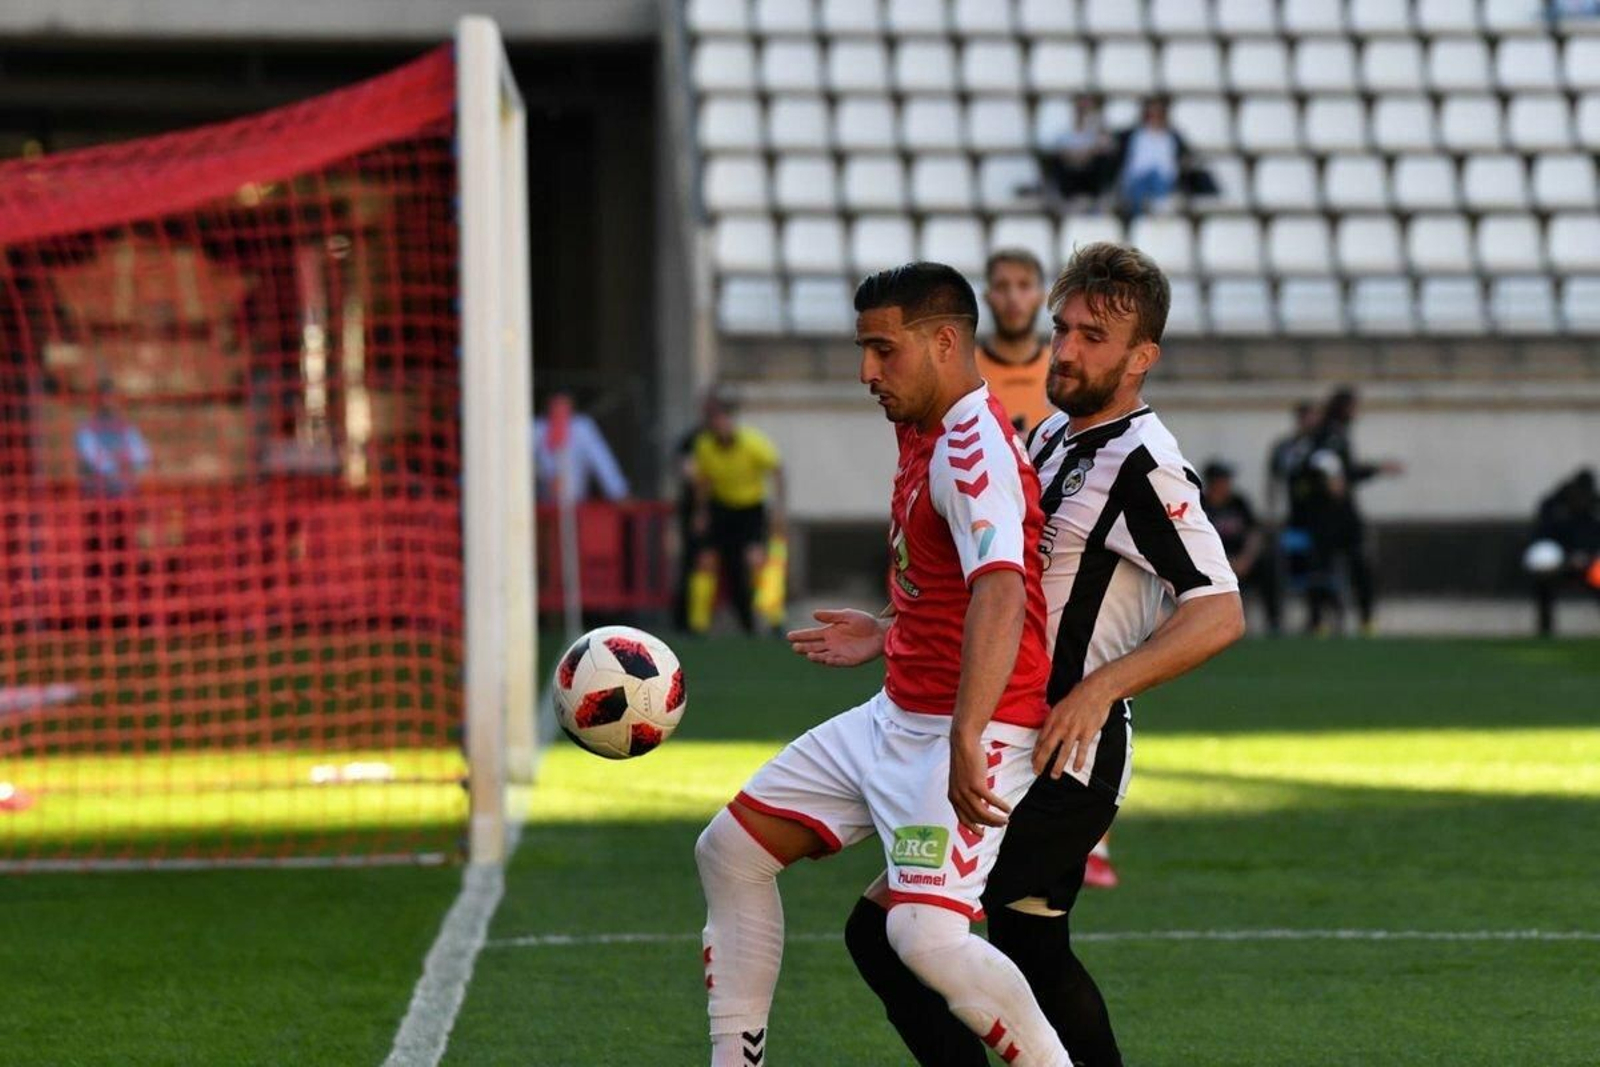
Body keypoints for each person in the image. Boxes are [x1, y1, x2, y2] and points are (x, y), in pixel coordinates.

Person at [830, 243, 1245, 1067]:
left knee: (903, 933)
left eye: (1093, 336)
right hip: (1015, 730)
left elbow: (1219, 610)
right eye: (1063, 329)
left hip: (1067, 754)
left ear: (1141, 358)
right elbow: (1000, 575)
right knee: (1016, 943)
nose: (1066, 349)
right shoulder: (1052, 434)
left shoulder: (1147, 467)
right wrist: (893, 626)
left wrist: (1098, 691)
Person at [697, 263, 1072, 1067]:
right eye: (862, 348)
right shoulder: (922, 425)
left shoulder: (972, 447)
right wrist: (890, 626)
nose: (867, 371)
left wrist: (969, 733)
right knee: (729, 850)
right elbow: (955, 578)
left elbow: (1003, 592)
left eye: (882, 349)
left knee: (921, 935)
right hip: (896, 717)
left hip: (970, 730)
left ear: (944, 342)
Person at [1295, 387, 1403, 635]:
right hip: (1330, 515)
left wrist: (1375, 469)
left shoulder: (1336, 433)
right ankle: (1323, 620)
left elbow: (1346, 471)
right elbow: (1322, 462)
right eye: (1354, 407)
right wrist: (1333, 476)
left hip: (1337, 514)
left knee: (1344, 564)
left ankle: (1339, 619)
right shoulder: (1329, 433)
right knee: (1331, 565)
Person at [686, 392, 786, 635]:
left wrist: (779, 509)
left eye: (724, 420)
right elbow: (703, 481)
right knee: (706, 561)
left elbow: (777, 469)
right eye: (716, 421)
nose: (721, 425)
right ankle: (697, 625)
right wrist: (701, 512)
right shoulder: (704, 446)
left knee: (756, 559)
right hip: (720, 507)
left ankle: (773, 618)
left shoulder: (752, 443)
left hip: (750, 508)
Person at [977, 249, 1055, 437]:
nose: (1013, 297)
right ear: (987, 297)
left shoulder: (1065, 369)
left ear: (1041, 296)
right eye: (1002, 286)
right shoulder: (964, 375)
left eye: (1024, 285)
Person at [1203, 460, 1280, 635]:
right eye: (1223, 480)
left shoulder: (1238, 502)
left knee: (1269, 563)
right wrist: (1225, 563)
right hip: (1215, 565)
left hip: (1242, 561)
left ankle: (1274, 622)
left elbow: (1254, 533)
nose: (1227, 484)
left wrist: (1246, 559)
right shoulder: (1200, 504)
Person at [1527, 468, 1600, 637]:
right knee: (1544, 578)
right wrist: (1566, 557)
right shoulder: (1554, 507)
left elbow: (1593, 537)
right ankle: (1545, 631)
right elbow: (1543, 536)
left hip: (1587, 565)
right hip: (1557, 565)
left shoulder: (1593, 508)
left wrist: (1586, 556)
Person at [1112, 96, 1204, 220]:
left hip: (1164, 180)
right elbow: (1112, 143)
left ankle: (1155, 214)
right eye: (1151, 114)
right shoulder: (1132, 134)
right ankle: (1141, 220)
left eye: (1158, 114)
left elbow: (1186, 156)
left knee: (1156, 179)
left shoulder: (1173, 136)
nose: (1154, 117)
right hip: (1137, 179)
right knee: (1141, 187)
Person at [530, 391, 629, 504]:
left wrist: (619, 492)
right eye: (556, 408)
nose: (560, 413)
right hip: (543, 503)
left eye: (564, 408)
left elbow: (602, 461)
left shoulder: (582, 428)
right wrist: (546, 477)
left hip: (577, 503)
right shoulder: (536, 429)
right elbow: (521, 463)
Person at [1041, 93, 1116, 206]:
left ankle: (1100, 196)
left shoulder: (1097, 128)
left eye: (1086, 109)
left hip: (1090, 172)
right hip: (1069, 171)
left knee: (1105, 158)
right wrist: (1072, 154)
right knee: (1054, 160)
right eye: (1080, 108)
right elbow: (1053, 146)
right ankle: (1059, 197)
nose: (1082, 112)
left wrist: (1090, 151)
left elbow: (1108, 146)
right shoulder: (1064, 127)